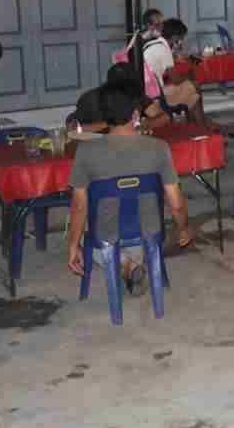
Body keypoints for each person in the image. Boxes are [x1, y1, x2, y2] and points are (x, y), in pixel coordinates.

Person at [65, 79, 192, 294]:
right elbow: (176, 203)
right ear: (135, 115)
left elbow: (79, 207)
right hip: (149, 231)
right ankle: (131, 264)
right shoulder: (159, 148)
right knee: (146, 238)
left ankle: (125, 265)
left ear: (104, 118)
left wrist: (72, 245)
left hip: (105, 235)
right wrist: (183, 228)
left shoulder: (86, 152)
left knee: (97, 245)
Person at [143, 18, 214, 128]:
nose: (182, 40)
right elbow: (175, 79)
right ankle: (201, 125)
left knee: (193, 96)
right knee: (195, 86)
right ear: (175, 37)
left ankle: (198, 127)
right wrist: (189, 76)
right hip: (155, 96)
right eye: (182, 37)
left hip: (147, 92)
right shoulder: (163, 49)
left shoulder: (152, 43)